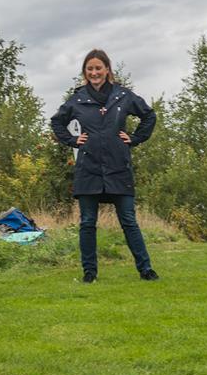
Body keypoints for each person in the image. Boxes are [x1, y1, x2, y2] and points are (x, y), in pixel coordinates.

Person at [51, 49, 158, 284]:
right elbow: (57, 122)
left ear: (107, 70)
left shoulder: (123, 96)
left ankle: (146, 269)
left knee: (128, 220)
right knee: (88, 223)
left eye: (98, 68)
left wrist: (135, 138)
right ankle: (89, 273)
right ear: (85, 72)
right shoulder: (77, 99)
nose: (94, 72)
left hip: (118, 167)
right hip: (88, 169)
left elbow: (149, 116)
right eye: (90, 69)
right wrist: (72, 140)